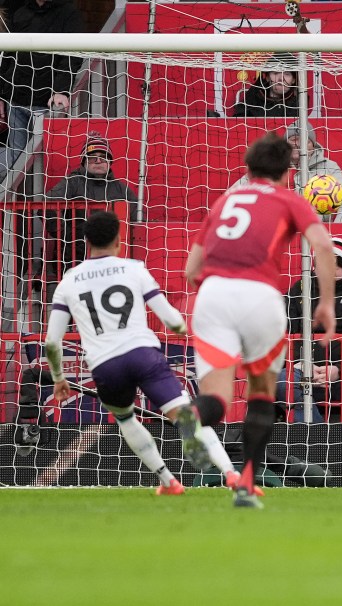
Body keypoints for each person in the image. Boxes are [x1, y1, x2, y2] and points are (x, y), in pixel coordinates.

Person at [43, 210, 252, 496]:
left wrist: (58, 378)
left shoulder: (69, 281)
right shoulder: (134, 269)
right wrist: (179, 327)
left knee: (126, 419)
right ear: (119, 239)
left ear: (86, 242)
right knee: (186, 415)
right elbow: (172, 319)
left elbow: (52, 343)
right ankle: (232, 474)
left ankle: (168, 481)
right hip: (143, 353)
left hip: (105, 365)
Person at [182, 132, 337, 508]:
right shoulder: (289, 199)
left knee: (216, 398)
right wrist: (326, 303)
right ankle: (247, 487)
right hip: (259, 297)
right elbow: (323, 245)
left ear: (249, 169)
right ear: (287, 172)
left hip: (213, 296)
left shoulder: (225, 201)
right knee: (261, 396)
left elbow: (191, 269)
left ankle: (189, 417)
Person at [278, 237, 342, 422]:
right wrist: (301, 363)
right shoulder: (298, 290)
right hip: (306, 366)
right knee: (281, 381)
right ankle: (316, 434)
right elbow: (287, 333)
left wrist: (339, 368)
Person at [42, 132, 138, 299]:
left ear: (110, 162)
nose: (98, 161)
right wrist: (67, 237)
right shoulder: (72, 183)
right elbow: (46, 207)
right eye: (92, 157)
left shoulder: (122, 190)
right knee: (76, 305)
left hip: (113, 258)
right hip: (73, 258)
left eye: (103, 157)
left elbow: (136, 220)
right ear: (84, 161)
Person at [0, 0, 83, 180]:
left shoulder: (69, 14)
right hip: (16, 100)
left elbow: (72, 56)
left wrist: (61, 91)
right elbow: (8, 55)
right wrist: (1, 94)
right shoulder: (20, 12)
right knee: (15, 156)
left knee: (43, 159)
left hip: (45, 104)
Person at [231, 122, 342, 223]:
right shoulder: (270, 165)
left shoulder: (328, 167)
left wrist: (338, 229)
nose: (296, 142)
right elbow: (234, 194)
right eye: (292, 139)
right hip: (273, 234)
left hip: (313, 234)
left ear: (313, 145)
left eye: (303, 139)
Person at [232, 53, 299, 118]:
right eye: (275, 73)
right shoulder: (253, 96)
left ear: (294, 80)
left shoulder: (299, 101)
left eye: (287, 74)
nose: (281, 79)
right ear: (267, 77)